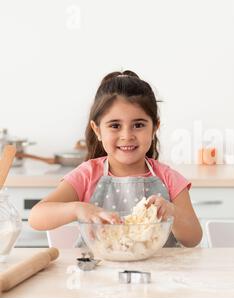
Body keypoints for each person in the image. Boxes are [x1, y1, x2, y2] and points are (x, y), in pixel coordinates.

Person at [29, 70, 202, 248]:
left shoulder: (168, 178)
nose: (127, 135)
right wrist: (78, 209)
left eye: (138, 125)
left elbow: (194, 238)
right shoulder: (87, 175)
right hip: (98, 272)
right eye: (115, 126)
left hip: (160, 272)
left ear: (154, 127)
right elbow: (36, 217)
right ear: (97, 130)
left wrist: (172, 213)